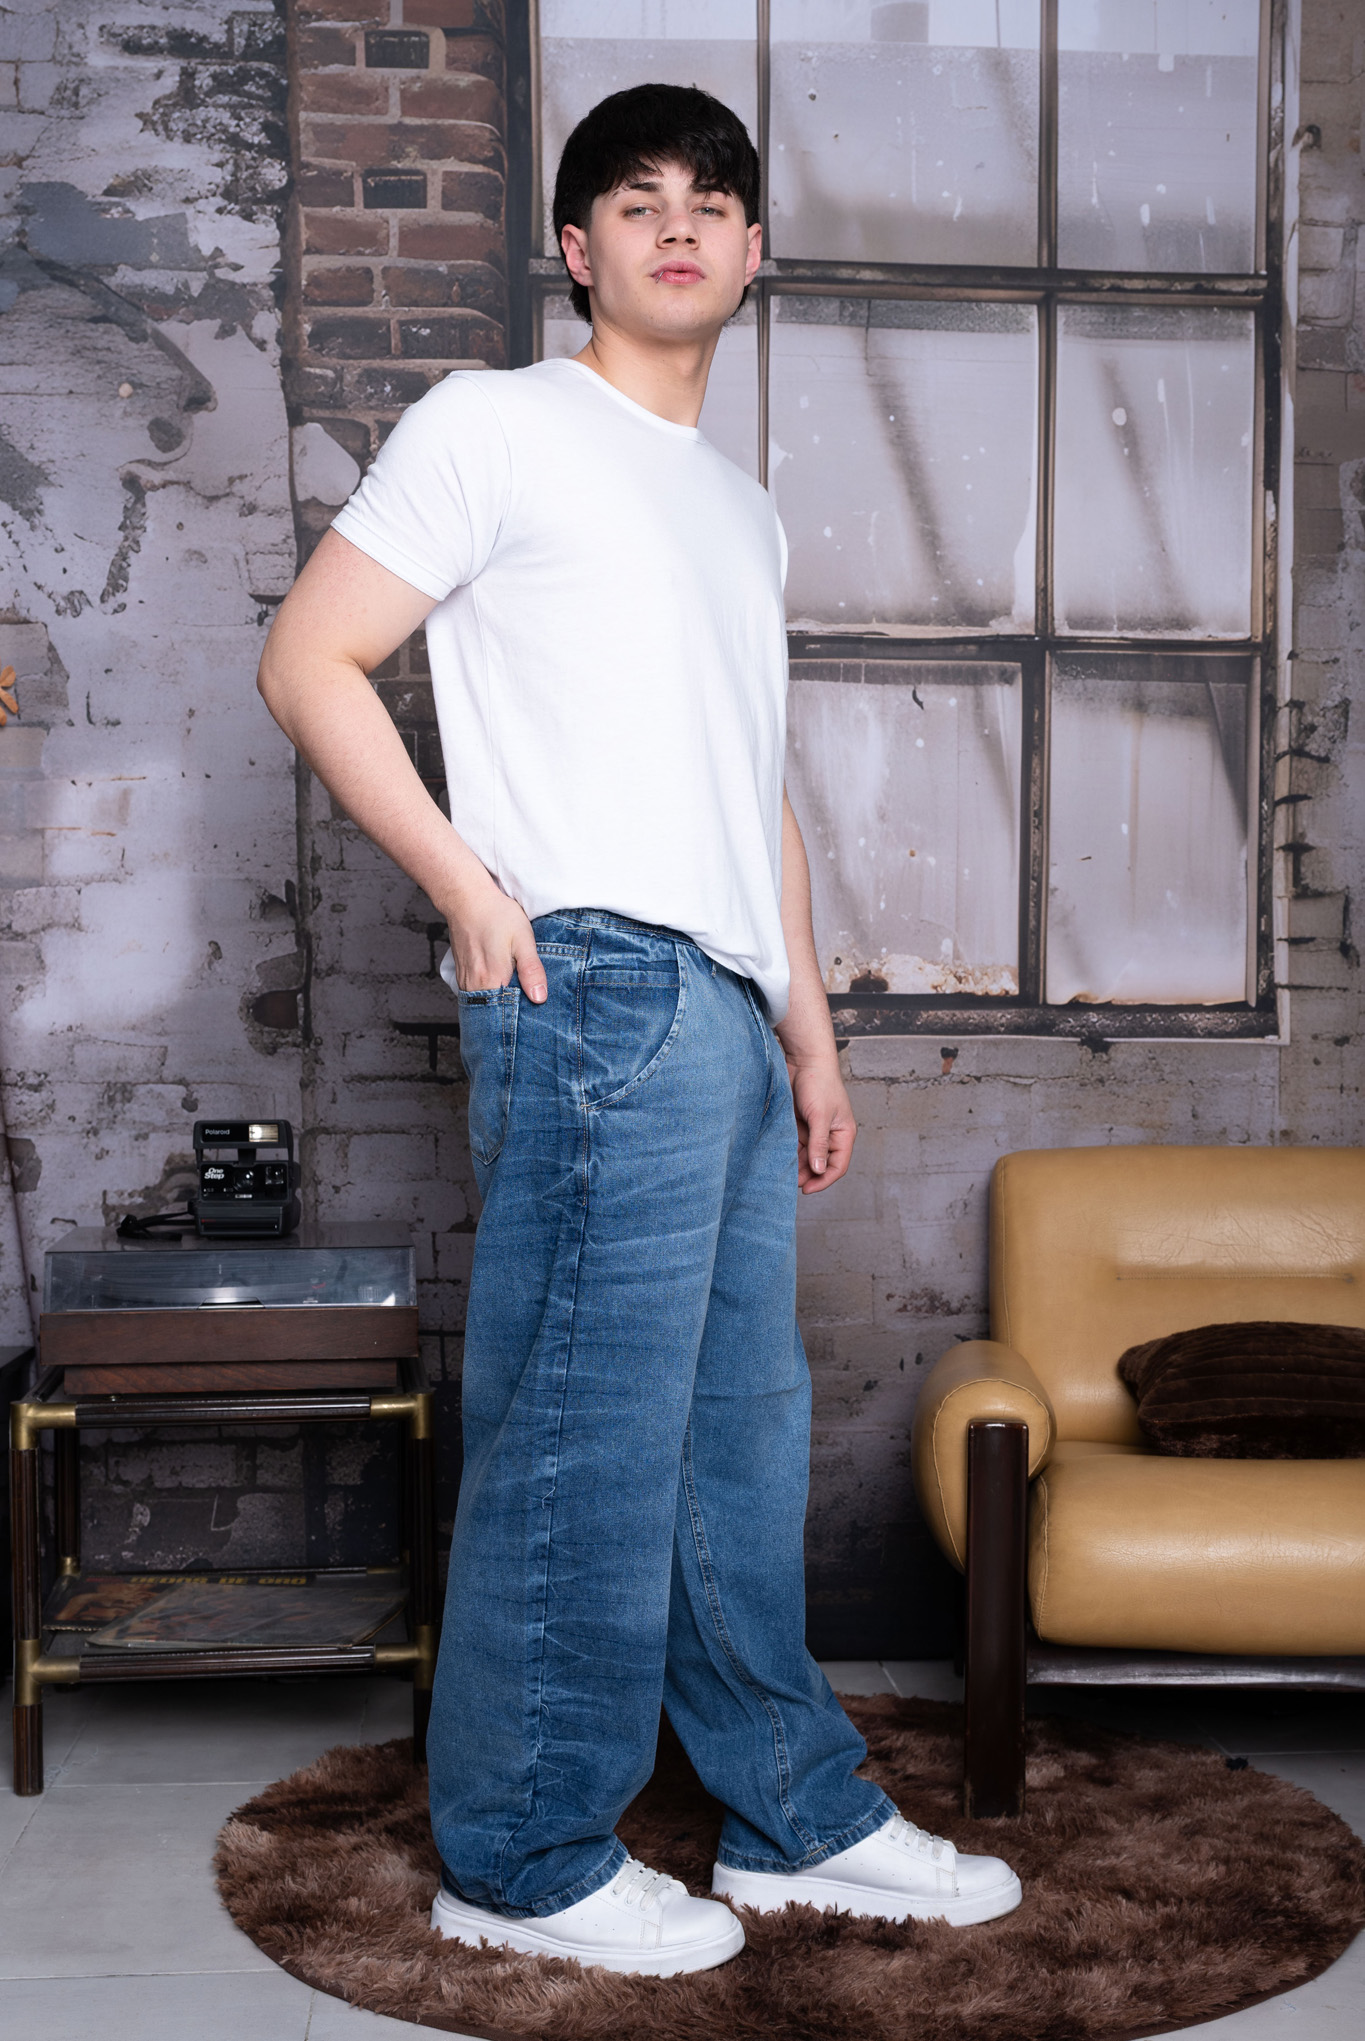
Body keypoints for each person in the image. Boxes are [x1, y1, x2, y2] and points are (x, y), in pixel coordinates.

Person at [257, 81, 1021, 1978]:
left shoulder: (737, 511)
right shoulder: (496, 422)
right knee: (584, 1435)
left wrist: (809, 1029)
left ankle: (792, 1812)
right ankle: (520, 1853)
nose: (676, 225)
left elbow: (749, 789)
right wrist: (469, 887)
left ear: (753, 252)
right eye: (635, 197)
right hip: (585, 977)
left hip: (727, 1006)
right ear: (575, 245)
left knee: (730, 1441)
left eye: (710, 202)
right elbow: (308, 655)